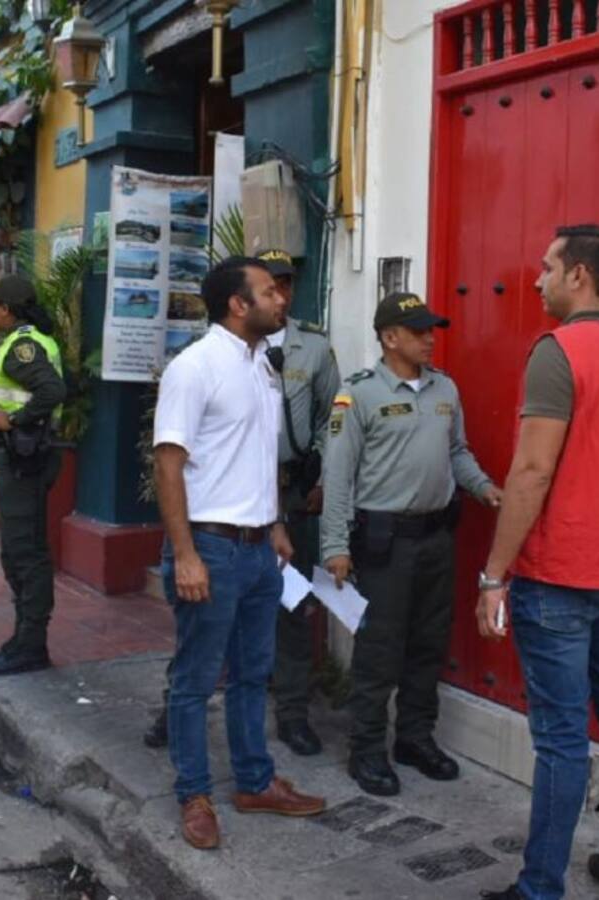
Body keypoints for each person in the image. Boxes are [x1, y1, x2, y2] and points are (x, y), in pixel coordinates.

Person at [475, 225, 599, 900]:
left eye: (547, 267)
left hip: (559, 579)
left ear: (580, 276)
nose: (536, 279)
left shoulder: (558, 353)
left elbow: (532, 469)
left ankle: (539, 889)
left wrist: (493, 574)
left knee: (562, 740)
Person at [153, 256, 326, 851]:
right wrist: (186, 554)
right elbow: (168, 463)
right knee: (196, 678)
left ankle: (254, 781)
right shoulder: (194, 368)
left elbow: (259, 455)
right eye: (269, 292)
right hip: (211, 546)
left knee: (255, 673)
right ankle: (194, 793)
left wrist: (275, 522)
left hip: (257, 550)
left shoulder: (262, 366)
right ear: (237, 304)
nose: (281, 300)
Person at [321, 291, 502, 797]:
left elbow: (458, 452)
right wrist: (335, 544)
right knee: (379, 651)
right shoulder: (358, 394)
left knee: (429, 644)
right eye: (419, 330)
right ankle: (367, 749)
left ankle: (416, 738)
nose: (429, 338)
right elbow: (337, 475)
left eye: (431, 329)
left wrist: (483, 486)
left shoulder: (445, 388)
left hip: (436, 538)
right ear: (389, 337)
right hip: (384, 543)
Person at [260, 248, 340, 756]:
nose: (281, 295)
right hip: (238, 497)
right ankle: (177, 702)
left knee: (293, 602)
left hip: (291, 491)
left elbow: (337, 416)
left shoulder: (313, 348)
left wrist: (324, 476)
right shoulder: (229, 346)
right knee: (223, 602)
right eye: (271, 285)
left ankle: (292, 711)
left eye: (286, 284)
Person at [0, 275, 67, 677]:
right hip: (21, 459)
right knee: (16, 551)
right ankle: (23, 638)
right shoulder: (21, 341)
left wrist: (13, 420)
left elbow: (53, 391)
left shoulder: (24, 347)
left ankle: (32, 646)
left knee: (26, 553)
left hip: (23, 461)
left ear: (7, 309)